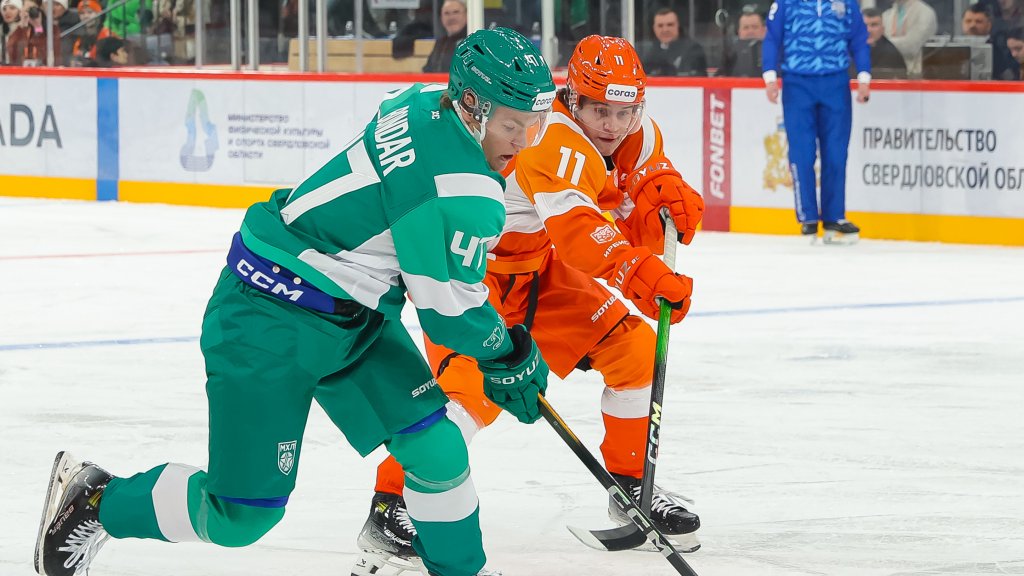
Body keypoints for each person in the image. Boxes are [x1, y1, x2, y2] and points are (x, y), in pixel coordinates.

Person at [34, 27, 556, 576]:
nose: (523, 141)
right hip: (270, 316)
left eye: (534, 124)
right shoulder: (464, 193)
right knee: (240, 517)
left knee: (438, 449)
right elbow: (450, 314)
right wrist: (509, 353)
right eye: (511, 125)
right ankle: (97, 501)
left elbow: (399, 167)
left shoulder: (424, 101)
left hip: (353, 316)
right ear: (471, 104)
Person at [350, 34, 704, 576]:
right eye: (600, 111)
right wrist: (637, 271)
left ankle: (632, 487)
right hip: (472, 274)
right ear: (572, 99)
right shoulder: (549, 139)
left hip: (537, 271)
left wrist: (664, 195)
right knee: (467, 396)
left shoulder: (635, 131)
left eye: (625, 112)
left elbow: (636, 186)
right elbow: (581, 234)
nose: (613, 125)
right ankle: (391, 504)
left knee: (634, 351)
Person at [763, 0, 870, 243]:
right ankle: (808, 217)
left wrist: (864, 77)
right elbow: (772, 38)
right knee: (802, 152)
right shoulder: (786, 4)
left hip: (836, 82)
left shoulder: (846, 3)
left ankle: (834, 216)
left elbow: (858, 39)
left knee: (836, 152)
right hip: (797, 83)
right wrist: (770, 77)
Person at [638, 7, 707, 76]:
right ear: (654, 28)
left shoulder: (693, 50)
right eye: (660, 26)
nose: (665, 30)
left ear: (678, 26)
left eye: (670, 25)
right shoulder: (648, 53)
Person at [962, 3, 1020, 80]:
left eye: (978, 21)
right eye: (968, 21)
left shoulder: (1001, 49)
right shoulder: (955, 48)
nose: (972, 25)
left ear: (989, 25)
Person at [882, 0, 937, 78]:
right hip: (887, 73)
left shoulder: (925, 13)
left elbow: (910, 45)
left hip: (913, 75)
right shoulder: (887, 14)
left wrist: (883, 44)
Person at [5, 0, 61, 65]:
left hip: (43, 69)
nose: (30, 13)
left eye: (33, 9)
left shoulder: (52, 29)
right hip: (22, 69)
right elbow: (12, 54)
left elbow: (53, 56)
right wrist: (22, 27)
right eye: (27, 10)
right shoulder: (20, 30)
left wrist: (38, 27)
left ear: (41, 11)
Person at [860, 7, 907, 78]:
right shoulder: (846, 50)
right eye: (864, 25)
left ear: (882, 29)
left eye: (874, 25)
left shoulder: (891, 55)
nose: (868, 30)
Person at [718, 7, 766, 77]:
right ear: (739, 31)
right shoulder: (730, 52)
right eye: (746, 27)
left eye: (755, 27)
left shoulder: (774, 51)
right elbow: (720, 77)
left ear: (763, 30)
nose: (750, 31)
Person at [422, 0, 466, 73]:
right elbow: (428, 71)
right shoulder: (440, 43)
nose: (451, 17)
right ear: (441, 18)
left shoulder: (473, 42)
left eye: (456, 12)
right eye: (446, 13)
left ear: (466, 15)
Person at [1, 0, 21, 64]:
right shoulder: (1, 29)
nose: (7, 12)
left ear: (19, 11)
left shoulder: (26, 26)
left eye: (12, 8)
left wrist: (37, 25)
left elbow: (39, 35)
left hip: (21, 68)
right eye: (4, 9)